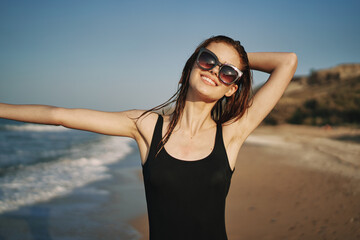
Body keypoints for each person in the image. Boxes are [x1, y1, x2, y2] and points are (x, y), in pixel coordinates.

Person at [0, 35, 297, 239]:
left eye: (228, 72)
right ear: (191, 66)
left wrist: (237, 61)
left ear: (232, 87)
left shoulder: (231, 134)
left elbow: (287, 61)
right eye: (207, 59)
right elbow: (59, 116)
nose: (215, 70)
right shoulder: (146, 126)